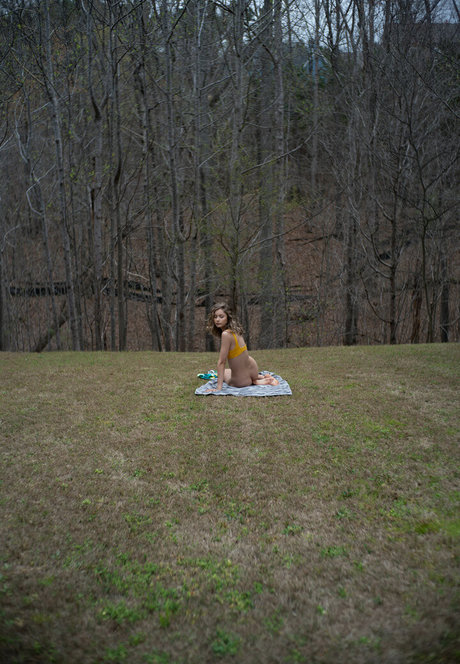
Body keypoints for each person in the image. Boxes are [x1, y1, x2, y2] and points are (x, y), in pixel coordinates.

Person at [205, 302, 279, 392]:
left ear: (228, 318)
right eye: (215, 317)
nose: (217, 320)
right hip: (252, 369)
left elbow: (221, 362)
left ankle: (258, 380)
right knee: (227, 371)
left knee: (223, 374)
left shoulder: (226, 334)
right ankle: (260, 378)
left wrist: (218, 388)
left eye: (221, 317)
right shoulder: (235, 330)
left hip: (241, 381)